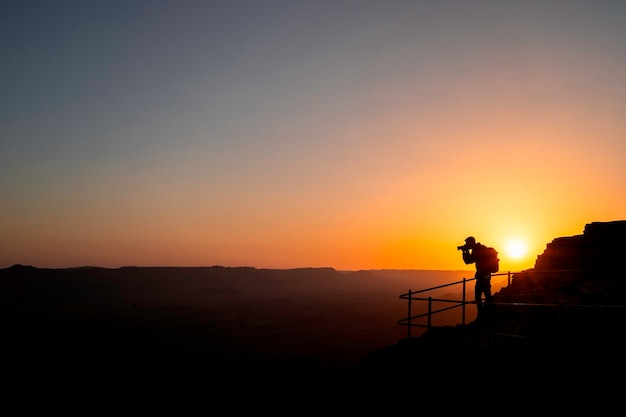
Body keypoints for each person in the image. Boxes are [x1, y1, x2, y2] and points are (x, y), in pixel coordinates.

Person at [458, 236, 494, 317]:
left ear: (471, 243)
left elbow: (468, 261)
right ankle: (491, 312)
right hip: (486, 275)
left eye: (467, 243)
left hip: (482, 276)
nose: (466, 244)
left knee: (478, 297)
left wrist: (465, 252)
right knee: (487, 295)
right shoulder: (481, 248)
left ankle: (482, 314)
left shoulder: (477, 250)